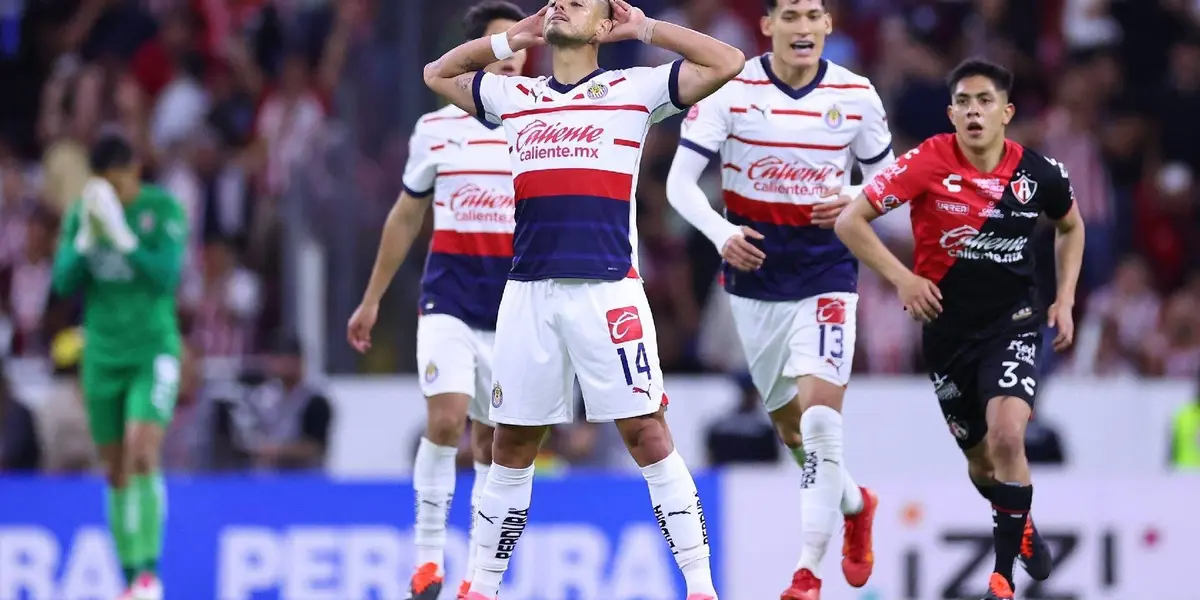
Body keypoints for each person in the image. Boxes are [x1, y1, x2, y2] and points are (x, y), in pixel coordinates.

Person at [422, 0, 745, 598]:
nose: (562, 2)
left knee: (647, 433)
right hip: (528, 295)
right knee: (511, 444)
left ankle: (701, 587)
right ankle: (480, 587)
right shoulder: (515, 96)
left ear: (604, 25)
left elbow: (727, 59)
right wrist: (508, 40)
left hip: (608, 291)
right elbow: (435, 75)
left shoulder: (635, 88)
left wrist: (646, 29)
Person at [833, 59, 1086, 600]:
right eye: (964, 103)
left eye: (986, 102)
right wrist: (902, 280)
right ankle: (1021, 526)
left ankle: (1001, 577)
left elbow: (1071, 225)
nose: (974, 111)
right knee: (979, 461)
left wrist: (1063, 300)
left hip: (1014, 324)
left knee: (1008, 435)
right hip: (946, 334)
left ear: (1007, 113)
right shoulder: (926, 162)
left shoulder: (1039, 174)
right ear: (951, 113)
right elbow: (849, 221)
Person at [665, 0, 890, 596]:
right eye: (789, 15)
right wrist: (722, 234)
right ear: (767, 26)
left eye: (813, 14)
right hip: (755, 280)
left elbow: (893, 189)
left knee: (819, 421)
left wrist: (854, 197)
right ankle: (854, 502)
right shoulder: (730, 89)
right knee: (793, 432)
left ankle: (807, 572)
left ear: (828, 26)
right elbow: (678, 185)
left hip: (827, 274)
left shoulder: (857, 95)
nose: (802, 27)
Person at [347, 2, 527, 597]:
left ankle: (479, 576)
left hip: (515, 311)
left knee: (493, 445)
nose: (513, 57)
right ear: (476, 55)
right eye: (500, 46)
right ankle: (427, 558)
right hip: (448, 298)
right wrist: (372, 298)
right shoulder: (437, 129)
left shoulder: (545, 124)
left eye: (520, 45)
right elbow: (404, 217)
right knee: (445, 419)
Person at [50, 133, 188, 600]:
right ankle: (130, 579)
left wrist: (125, 239)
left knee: (143, 451)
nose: (114, 193)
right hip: (102, 356)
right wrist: (87, 240)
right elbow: (62, 282)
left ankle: (150, 575)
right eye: (104, 185)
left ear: (135, 170)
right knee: (114, 470)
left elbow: (166, 277)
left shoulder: (163, 210)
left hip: (152, 350)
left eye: (120, 182)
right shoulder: (82, 214)